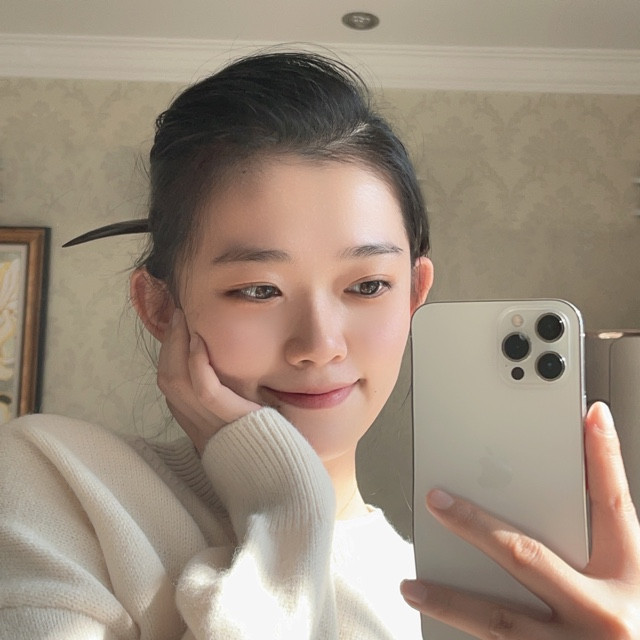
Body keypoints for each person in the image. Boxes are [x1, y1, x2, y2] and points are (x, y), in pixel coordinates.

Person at [0, 50, 639, 640]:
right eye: (258, 290)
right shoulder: (57, 483)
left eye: (367, 285)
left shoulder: (452, 605)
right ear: (161, 306)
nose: (319, 345)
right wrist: (286, 503)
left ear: (415, 293)